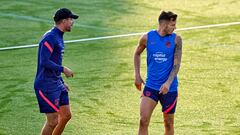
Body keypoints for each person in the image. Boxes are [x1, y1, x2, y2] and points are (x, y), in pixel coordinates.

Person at [134, 11, 182, 135]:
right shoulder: (147, 37)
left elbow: (176, 66)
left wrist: (167, 83)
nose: (175, 27)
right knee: (143, 121)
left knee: (168, 124)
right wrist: (137, 75)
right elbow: (137, 53)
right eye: (172, 24)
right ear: (164, 24)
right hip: (151, 86)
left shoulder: (176, 39)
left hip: (169, 89)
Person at [34, 8, 78, 135]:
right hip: (46, 85)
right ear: (64, 21)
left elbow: (54, 61)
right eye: (71, 19)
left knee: (66, 115)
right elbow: (44, 61)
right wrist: (63, 69)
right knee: (52, 121)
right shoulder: (50, 37)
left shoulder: (59, 36)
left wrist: (61, 80)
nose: (72, 22)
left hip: (56, 82)